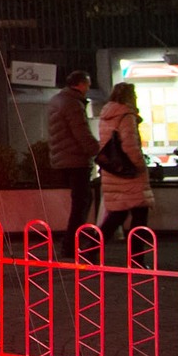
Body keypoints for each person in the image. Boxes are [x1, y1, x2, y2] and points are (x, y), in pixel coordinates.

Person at [46, 70, 102, 258]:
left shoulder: (57, 100)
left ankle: (71, 242)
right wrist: (97, 150)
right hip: (75, 159)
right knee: (82, 201)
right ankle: (70, 243)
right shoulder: (73, 103)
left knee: (81, 200)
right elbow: (81, 132)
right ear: (80, 84)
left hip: (63, 158)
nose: (88, 88)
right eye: (87, 84)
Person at [97, 81, 153, 262]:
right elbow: (130, 146)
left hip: (113, 169)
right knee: (139, 214)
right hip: (130, 172)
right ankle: (137, 258)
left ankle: (91, 249)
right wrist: (140, 165)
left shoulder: (106, 115)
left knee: (117, 214)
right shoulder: (126, 115)